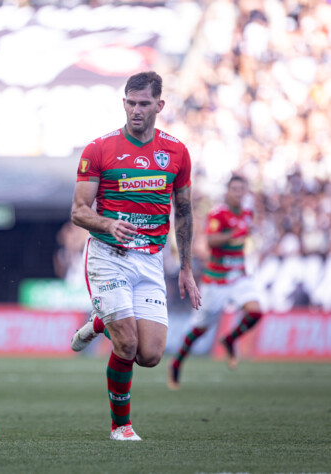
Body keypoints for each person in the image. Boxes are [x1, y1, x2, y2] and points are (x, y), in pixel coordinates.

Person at [68, 71, 201, 441]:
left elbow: (185, 211)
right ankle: (120, 426)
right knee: (126, 343)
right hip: (108, 255)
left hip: (151, 260)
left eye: (144, 103)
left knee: (151, 355)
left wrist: (186, 268)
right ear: (123, 102)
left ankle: (99, 322)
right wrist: (108, 225)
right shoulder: (99, 149)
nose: (136, 110)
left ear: (160, 105)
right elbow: (78, 211)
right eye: (130, 102)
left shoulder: (177, 152)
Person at [167, 175, 262, 390]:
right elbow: (210, 241)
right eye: (234, 189)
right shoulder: (218, 213)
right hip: (216, 280)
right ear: (228, 192)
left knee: (256, 312)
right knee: (200, 329)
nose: (238, 193)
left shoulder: (247, 213)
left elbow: (243, 239)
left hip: (238, 276)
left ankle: (229, 340)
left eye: (241, 189)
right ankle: (176, 363)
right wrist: (232, 234)